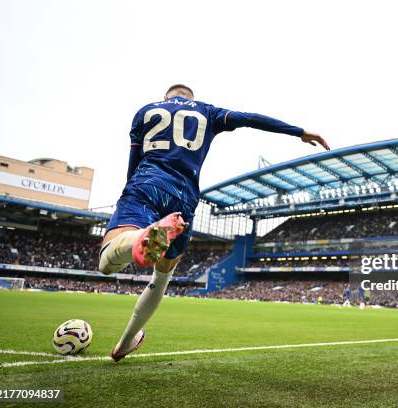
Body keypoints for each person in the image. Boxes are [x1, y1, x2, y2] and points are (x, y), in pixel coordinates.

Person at [98, 84, 329, 361]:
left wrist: (130, 196)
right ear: (190, 98)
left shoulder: (146, 111)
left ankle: (139, 238)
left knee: (107, 263)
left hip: (148, 184)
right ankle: (124, 344)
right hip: (184, 200)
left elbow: (133, 160)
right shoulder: (208, 112)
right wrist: (299, 131)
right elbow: (250, 119)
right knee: (162, 278)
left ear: (166, 97)